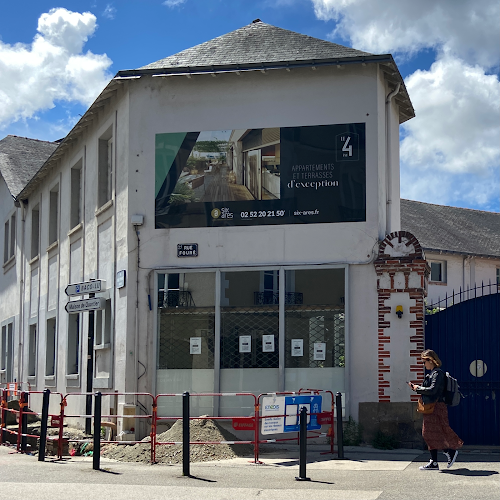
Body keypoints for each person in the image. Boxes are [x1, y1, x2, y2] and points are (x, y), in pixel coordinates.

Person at [408, 349, 463, 470]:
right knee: (431, 433)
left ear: (431, 361)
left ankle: (450, 452)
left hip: (437, 408)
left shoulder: (438, 374)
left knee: (433, 433)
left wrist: (418, 388)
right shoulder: (433, 373)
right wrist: (417, 388)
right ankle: (434, 461)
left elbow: (433, 390)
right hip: (431, 408)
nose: (423, 364)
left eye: (424, 362)